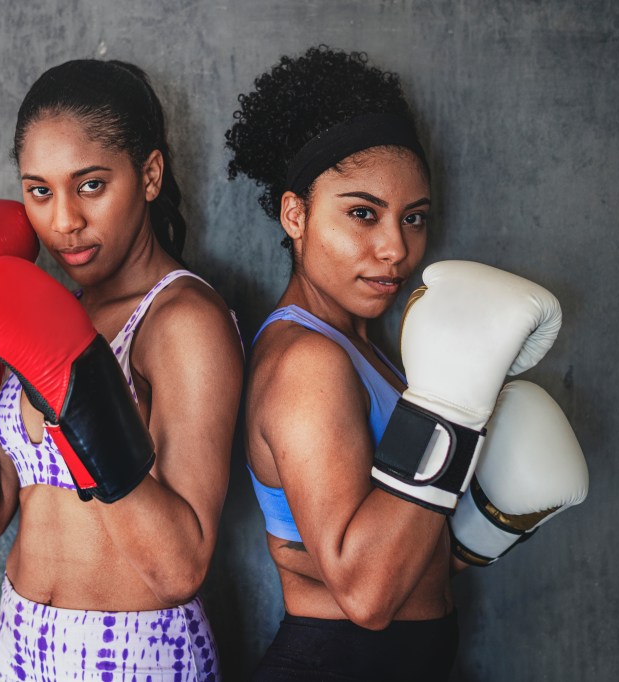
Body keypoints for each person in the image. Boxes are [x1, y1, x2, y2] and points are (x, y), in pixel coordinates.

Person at [226, 46, 575, 680]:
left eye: (413, 218)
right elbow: (366, 594)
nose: (395, 248)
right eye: (362, 213)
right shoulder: (308, 361)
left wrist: (485, 529)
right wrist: (449, 414)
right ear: (295, 214)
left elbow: (400, 553)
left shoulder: (371, 354)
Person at [0, 59, 243, 681]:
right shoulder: (37, 315)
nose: (64, 221)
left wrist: (78, 398)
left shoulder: (183, 319)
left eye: (89, 185)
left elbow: (180, 569)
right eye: (39, 191)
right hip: (17, 643)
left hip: (133, 651)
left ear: (148, 174)